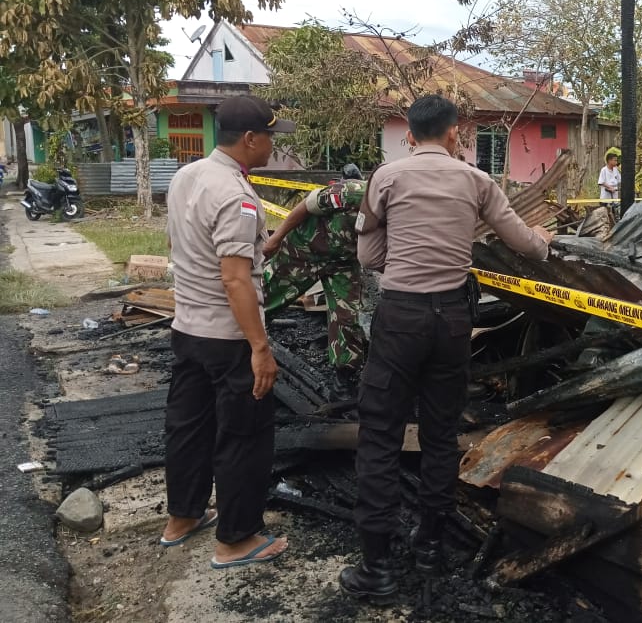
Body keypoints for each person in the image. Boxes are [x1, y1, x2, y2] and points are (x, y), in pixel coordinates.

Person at [340, 94, 552, 603]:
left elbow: (368, 254)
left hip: (401, 318)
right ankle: (430, 545)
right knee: (439, 435)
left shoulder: (385, 179)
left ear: (409, 135)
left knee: (381, 434)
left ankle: (376, 567)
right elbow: (523, 241)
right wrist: (544, 240)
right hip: (453, 320)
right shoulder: (477, 182)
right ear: (454, 132)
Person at [162, 95, 294, 570]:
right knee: (244, 435)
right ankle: (236, 539)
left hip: (188, 329)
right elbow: (234, 278)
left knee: (189, 427)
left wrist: (269, 242)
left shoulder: (187, 177)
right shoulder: (237, 196)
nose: (273, 149)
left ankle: (182, 517)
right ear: (250, 139)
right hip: (228, 338)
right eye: (271, 139)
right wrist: (259, 348)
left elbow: (191, 248)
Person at [263, 163, 368, 393]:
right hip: (304, 250)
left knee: (348, 318)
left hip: (343, 263)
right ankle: (236, 342)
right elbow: (305, 207)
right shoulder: (350, 193)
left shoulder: (399, 214)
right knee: (265, 298)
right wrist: (277, 237)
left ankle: (344, 381)